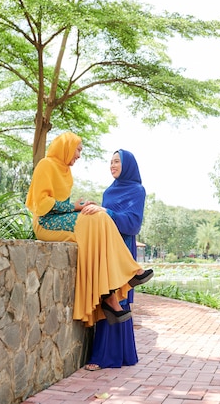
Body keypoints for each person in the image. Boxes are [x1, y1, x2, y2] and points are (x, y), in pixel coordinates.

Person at [25, 132, 153, 327]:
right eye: (78, 149)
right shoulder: (46, 164)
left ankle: (109, 298)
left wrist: (83, 205)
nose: (78, 155)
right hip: (45, 223)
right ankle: (130, 273)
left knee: (99, 215)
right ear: (66, 146)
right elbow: (41, 204)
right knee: (95, 217)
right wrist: (75, 206)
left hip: (59, 220)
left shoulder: (65, 171)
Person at [82, 149, 145, 371]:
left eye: (117, 161)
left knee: (119, 297)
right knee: (106, 296)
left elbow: (133, 223)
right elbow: (104, 218)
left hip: (123, 249)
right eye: (111, 162)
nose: (113, 165)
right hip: (105, 247)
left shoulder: (137, 190)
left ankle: (107, 357)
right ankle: (112, 354)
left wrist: (106, 212)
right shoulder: (109, 191)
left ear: (127, 164)